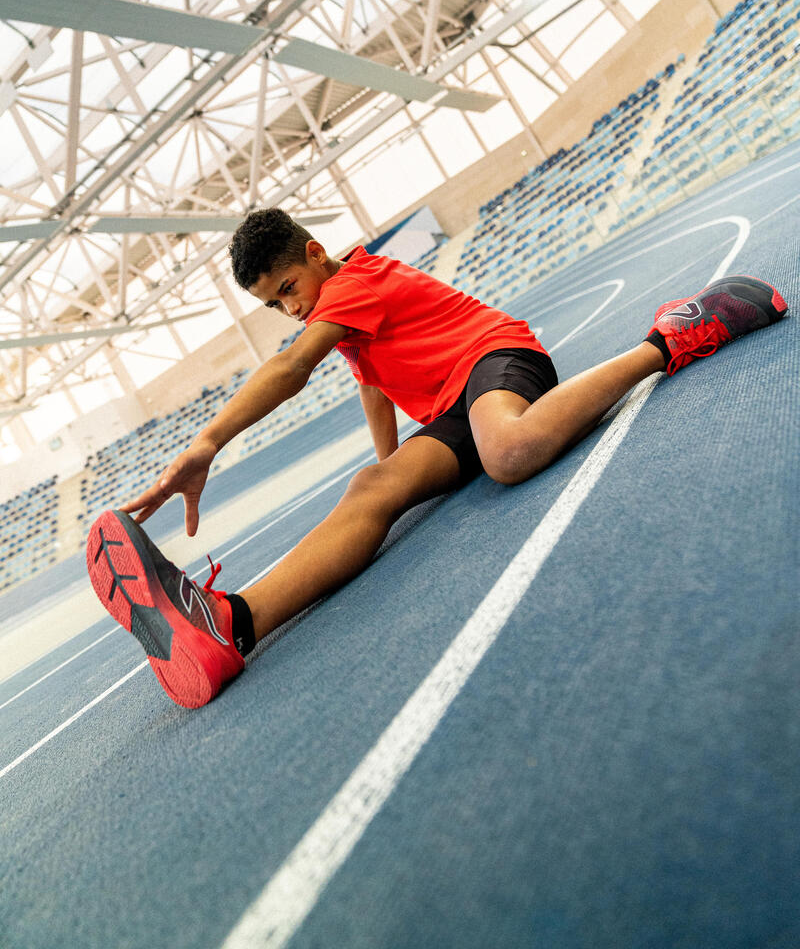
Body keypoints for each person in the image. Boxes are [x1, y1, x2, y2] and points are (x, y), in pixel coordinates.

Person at [86, 208, 788, 709]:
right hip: (451, 412)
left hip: (496, 359)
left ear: (314, 254)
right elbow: (375, 391)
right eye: (274, 307)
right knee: (370, 487)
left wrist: (206, 444)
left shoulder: (356, 282)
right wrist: (390, 475)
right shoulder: (341, 312)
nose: (291, 311)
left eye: (288, 291)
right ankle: (230, 621)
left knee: (509, 451)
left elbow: (296, 366)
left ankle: (671, 336)